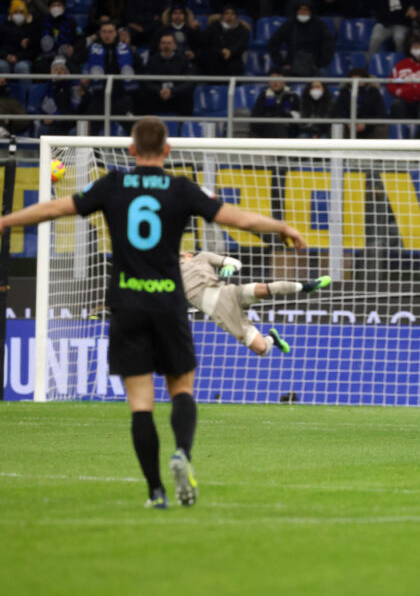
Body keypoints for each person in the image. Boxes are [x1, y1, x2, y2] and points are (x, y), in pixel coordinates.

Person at [0, 116, 308, 508]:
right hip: (168, 304)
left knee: (141, 403)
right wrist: (282, 228)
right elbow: (240, 218)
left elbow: (55, 208)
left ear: (132, 150)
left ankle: (155, 492)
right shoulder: (181, 189)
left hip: (127, 304)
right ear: (167, 150)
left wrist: (6, 220)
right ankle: (182, 453)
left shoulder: (113, 184)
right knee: (182, 390)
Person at [180, 251, 330, 357]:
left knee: (264, 289)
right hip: (221, 312)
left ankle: (306, 287)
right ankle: (272, 338)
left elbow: (234, 262)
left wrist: (231, 266)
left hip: (228, 292)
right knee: (261, 349)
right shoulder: (172, 276)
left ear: (189, 255)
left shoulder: (203, 257)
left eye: (181, 255)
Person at [268, 0, 334, 77]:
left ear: (311, 11)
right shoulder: (290, 24)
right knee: (277, 76)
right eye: (300, 10)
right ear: (296, 11)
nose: (303, 12)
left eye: (306, 10)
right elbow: (273, 42)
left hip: (314, 66)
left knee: (322, 76)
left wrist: (320, 64)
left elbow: (329, 45)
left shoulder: (319, 24)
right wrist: (281, 63)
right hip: (291, 65)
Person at [140, 33, 195, 117]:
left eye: (169, 43)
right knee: (144, 97)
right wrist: (159, 90)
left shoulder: (183, 60)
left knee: (187, 97)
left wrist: (172, 91)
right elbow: (146, 81)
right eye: (163, 43)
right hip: (158, 94)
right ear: (159, 46)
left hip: (177, 94)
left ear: (174, 46)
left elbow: (189, 81)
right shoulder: (152, 60)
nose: (166, 46)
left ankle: (185, 124)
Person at [333, 66, 388, 138]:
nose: (356, 84)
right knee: (336, 125)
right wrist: (347, 122)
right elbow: (337, 112)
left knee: (381, 128)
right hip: (348, 127)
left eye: (359, 81)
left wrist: (366, 124)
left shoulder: (373, 93)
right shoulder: (344, 93)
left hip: (369, 127)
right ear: (349, 81)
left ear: (365, 81)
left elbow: (381, 114)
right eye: (353, 81)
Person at [37, 0, 84, 72]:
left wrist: (73, 48)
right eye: (53, 6)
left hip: (66, 56)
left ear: (64, 7)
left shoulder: (71, 22)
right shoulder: (43, 22)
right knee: (38, 67)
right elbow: (35, 39)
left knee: (74, 67)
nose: (56, 8)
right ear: (49, 8)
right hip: (47, 57)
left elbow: (81, 39)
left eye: (59, 5)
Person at [201, 5, 250, 76]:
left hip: (234, 63)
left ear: (236, 16)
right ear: (222, 16)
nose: (229, 16)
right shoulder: (214, 27)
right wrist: (221, 51)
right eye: (226, 13)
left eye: (232, 13)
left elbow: (241, 44)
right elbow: (207, 43)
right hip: (215, 62)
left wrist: (231, 51)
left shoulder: (243, 30)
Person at [252, 69, 301, 138]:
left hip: (288, 129)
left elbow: (296, 115)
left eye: (278, 80)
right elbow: (257, 115)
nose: (275, 83)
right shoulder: (264, 95)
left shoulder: (291, 95)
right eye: (272, 80)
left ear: (284, 81)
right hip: (267, 129)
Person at [0, 0, 38, 75]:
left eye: (21, 12)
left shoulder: (32, 28)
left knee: (21, 67)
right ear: (11, 14)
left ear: (25, 14)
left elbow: (35, 50)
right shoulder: (4, 27)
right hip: (5, 58)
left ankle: (26, 84)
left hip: (23, 59)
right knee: (1, 65)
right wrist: (6, 56)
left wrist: (18, 57)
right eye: (15, 12)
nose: (18, 15)